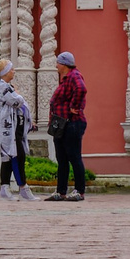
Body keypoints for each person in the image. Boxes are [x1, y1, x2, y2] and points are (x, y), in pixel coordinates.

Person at [0, 59, 35, 201]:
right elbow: (17, 101)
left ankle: (5, 187)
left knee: (8, 157)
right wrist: (18, 93)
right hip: (7, 128)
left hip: (12, 127)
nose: (14, 71)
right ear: (5, 72)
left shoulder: (5, 86)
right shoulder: (2, 87)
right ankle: (22, 188)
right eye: (12, 69)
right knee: (16, 156)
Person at [47, 51, 89, 201]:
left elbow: (81, 88)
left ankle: (79, 190)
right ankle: (61, 191)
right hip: (61, 124)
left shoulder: (74, 75)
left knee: (74, 157)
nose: (56, 65)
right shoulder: (66, 79)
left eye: (58, 62)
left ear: (64, 64)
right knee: (62, 158)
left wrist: (74, 106)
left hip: (72, 122)